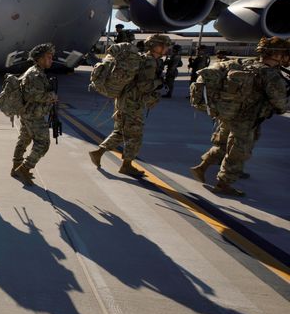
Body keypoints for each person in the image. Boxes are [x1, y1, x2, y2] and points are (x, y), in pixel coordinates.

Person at [190, 37, 289, 196]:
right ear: (276, 55)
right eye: (284, 54)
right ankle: (224, 183)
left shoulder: (244, 64)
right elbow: (281, 104)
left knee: (223, 145)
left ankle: (202, 167)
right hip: (247, 119)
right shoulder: (271, 75)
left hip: (228, 112)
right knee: (239, 151)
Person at [88, 34, 171, 176]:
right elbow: (143, 86)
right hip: (133, 104)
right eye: (165, 46)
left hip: (124, 101)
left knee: (120, 132)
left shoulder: (144, 59)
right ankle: (126, 166)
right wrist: (159, 83)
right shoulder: (150, 62)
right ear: (157, 46)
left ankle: (98, 152)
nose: (167, 49)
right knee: (135, 136)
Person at [11, 43, 58, 185]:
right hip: (34, 115)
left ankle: (16, 167)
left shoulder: (36, 72)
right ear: (40, 59)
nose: (51, 60)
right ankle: (24, 168)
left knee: (24, 140)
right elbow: (33, 95)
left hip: (28, 113)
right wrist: (52, 97)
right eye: (48, 57)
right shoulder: (35, 74)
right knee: (43, 144)